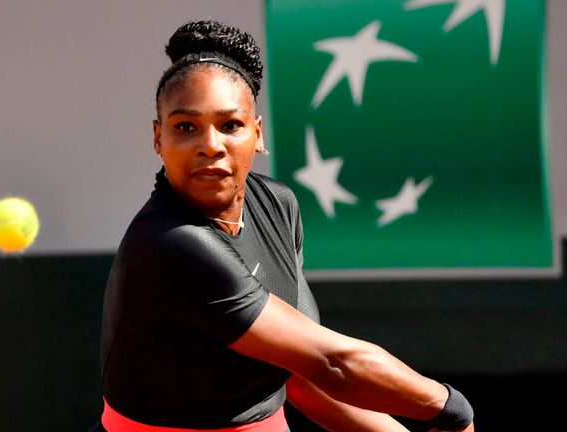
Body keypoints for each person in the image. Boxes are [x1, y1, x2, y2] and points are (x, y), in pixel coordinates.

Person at [93, 20, 474, 432]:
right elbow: (333, 362)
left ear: (257, 134)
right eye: (186, 127)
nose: (210, 144)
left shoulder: (277, 204)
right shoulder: (171, 244)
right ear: (158, 139)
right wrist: (449, 407)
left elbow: (303, 375)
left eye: (230, 125)